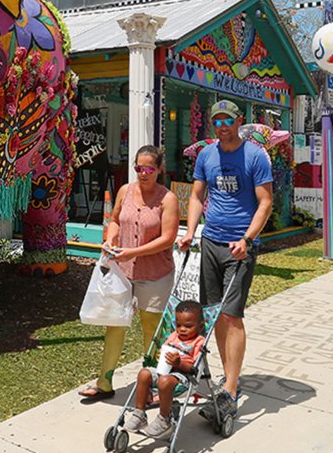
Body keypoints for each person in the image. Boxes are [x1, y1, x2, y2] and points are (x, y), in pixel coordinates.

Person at [176, 99, 273, 421]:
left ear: (238, 121)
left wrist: (247, 239)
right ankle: (228, 376)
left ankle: (230, 388)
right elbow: (196, 196)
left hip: (240, 246)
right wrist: (189, 231)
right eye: (216, 121)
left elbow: (265, 203)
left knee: (232, 316)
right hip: (211, 242)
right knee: (214, 313)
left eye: (227, 120)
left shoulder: (256, 156)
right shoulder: (207, 155)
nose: (222, 126)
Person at [79, 145, 179, 401]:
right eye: (138, 168)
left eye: (148, 169)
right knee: (115, 323)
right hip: (123, 271)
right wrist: (111, 240)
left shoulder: (167, 198)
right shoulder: (125, 190)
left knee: (151, 327)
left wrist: (133, 252)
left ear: (159, 170)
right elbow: (113, 220)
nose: (143, 173)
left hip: (155, 274)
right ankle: (104, 383)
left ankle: (153, 384)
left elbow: (168, 239)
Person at [123, 300, 207, 438]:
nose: (182, 329)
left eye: (188, 326)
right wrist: (160, 355)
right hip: (165, 370)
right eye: (179, 325)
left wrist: (179, 363)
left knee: (164, 381)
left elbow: (194, 370)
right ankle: (139, 414)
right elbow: (163, 351)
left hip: (184, 376)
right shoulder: (174, 336)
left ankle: (164, 419)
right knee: (144, 373)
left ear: (200, 325)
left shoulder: (199, 342)